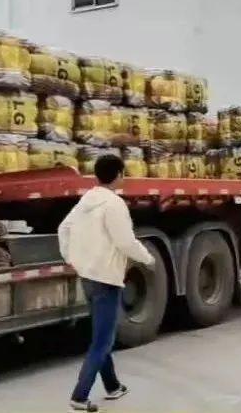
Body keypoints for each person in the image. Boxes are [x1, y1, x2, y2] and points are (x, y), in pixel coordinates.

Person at [58, 155, 156, 412]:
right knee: (103, 341)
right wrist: (148, 259)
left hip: (88, 275)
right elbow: (125, 242)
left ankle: (113, 386)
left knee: (101, 334)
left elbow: (63, 228)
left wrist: (71, 257)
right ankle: (79, 396)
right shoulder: (114, 204)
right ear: (119, 175)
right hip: (106, 278)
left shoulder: (86, 200)